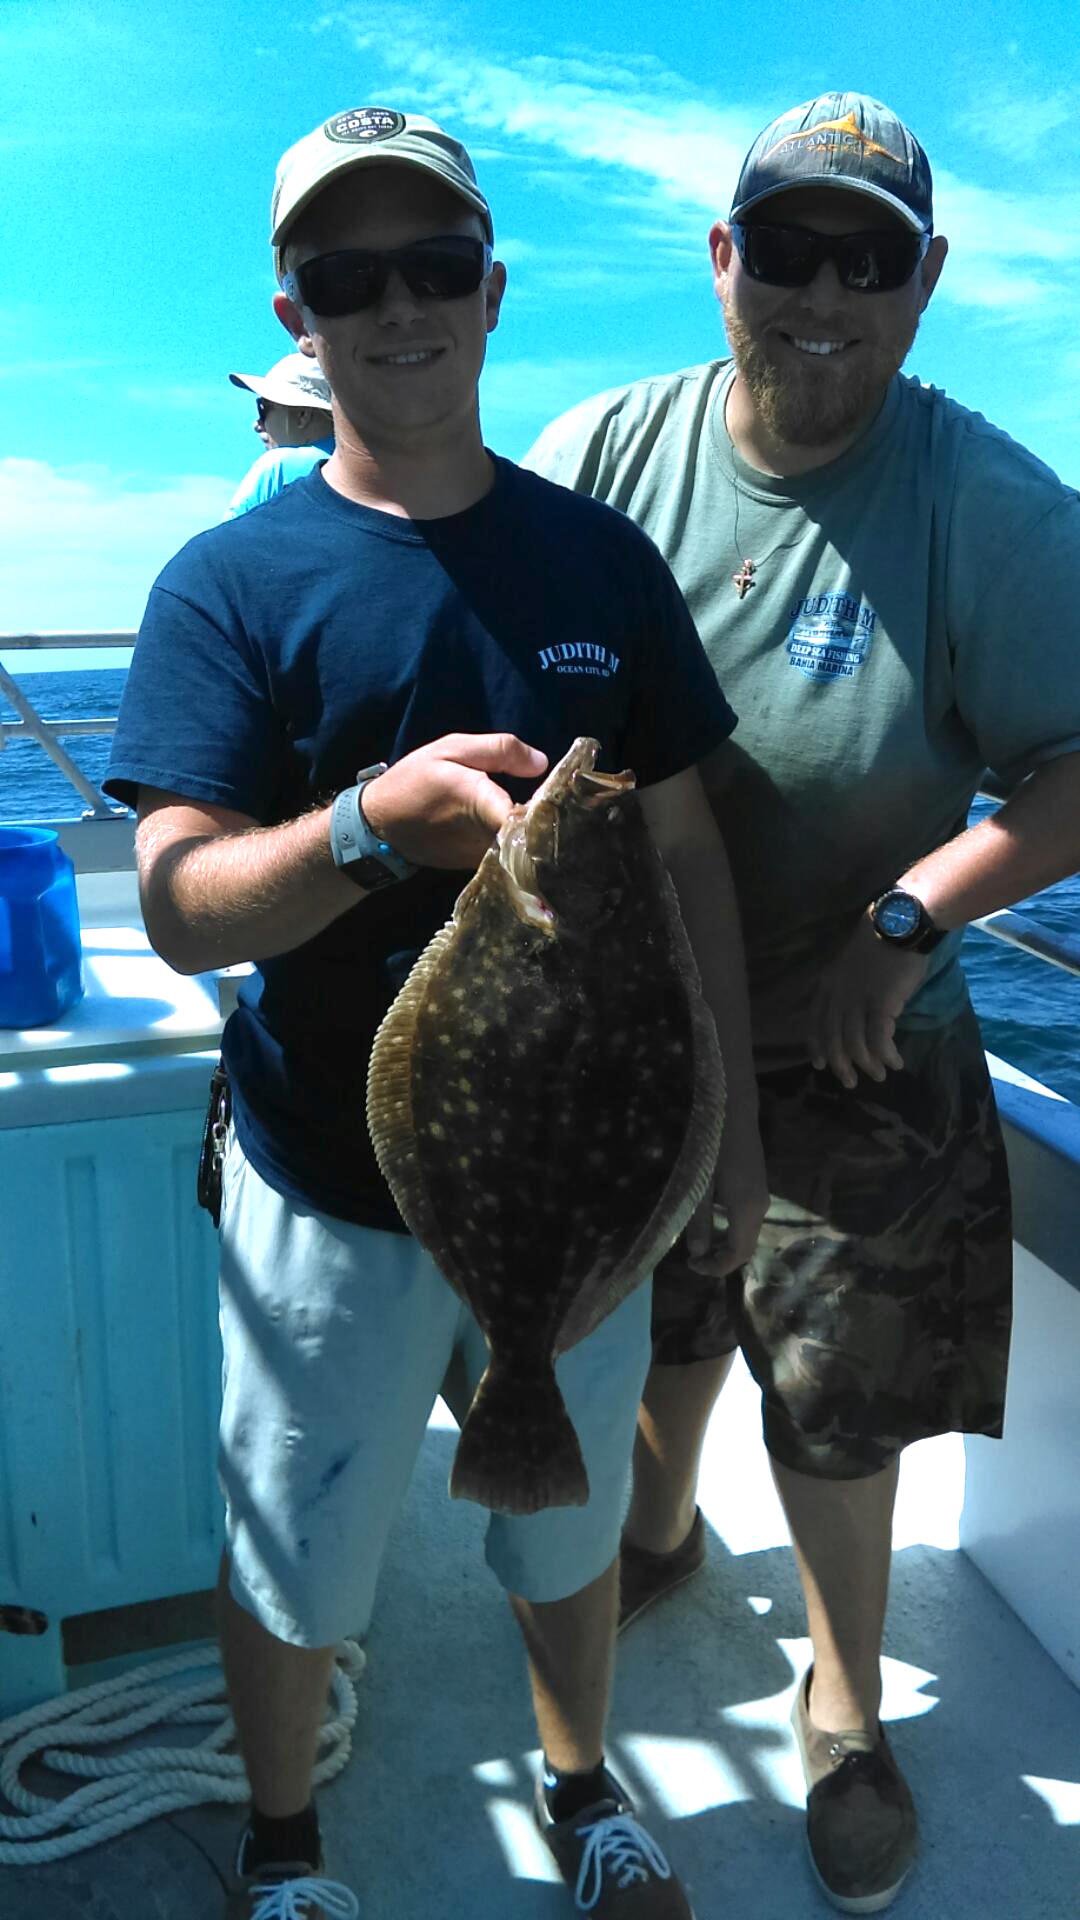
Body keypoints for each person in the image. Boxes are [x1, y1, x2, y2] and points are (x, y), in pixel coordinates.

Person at [105, 104, 766, 1919]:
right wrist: (364, 829)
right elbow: (176, 910)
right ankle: (286, 1849)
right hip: (327, 1179)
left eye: (434, 264)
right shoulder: (227, 586)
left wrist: (729, 1140)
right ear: (297, 317)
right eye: (348, 277)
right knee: (297, 1551)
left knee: (568, 1523)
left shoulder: (602, 565)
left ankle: (583, 1789)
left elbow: (688, 852)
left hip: (590, 1189)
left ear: (491, 290)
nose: (397, 305)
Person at [524, 89, 1080, 1915]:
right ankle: (663, 1533)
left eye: (867, 260)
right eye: (786, 250)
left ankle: (844, 1706)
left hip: (856, 1022)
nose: (820, 296)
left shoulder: (987, 503)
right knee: (662, 1308)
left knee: (835, 1386)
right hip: (635, 1014)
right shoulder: (605, 451)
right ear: (722, 260)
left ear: (925, 284)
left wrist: (915, 915)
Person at [226, 352, 335, 517]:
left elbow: (228, 532)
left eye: (263, 408)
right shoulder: (369, 469)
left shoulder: (278, 467)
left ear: (302, 415)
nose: (257, 424)